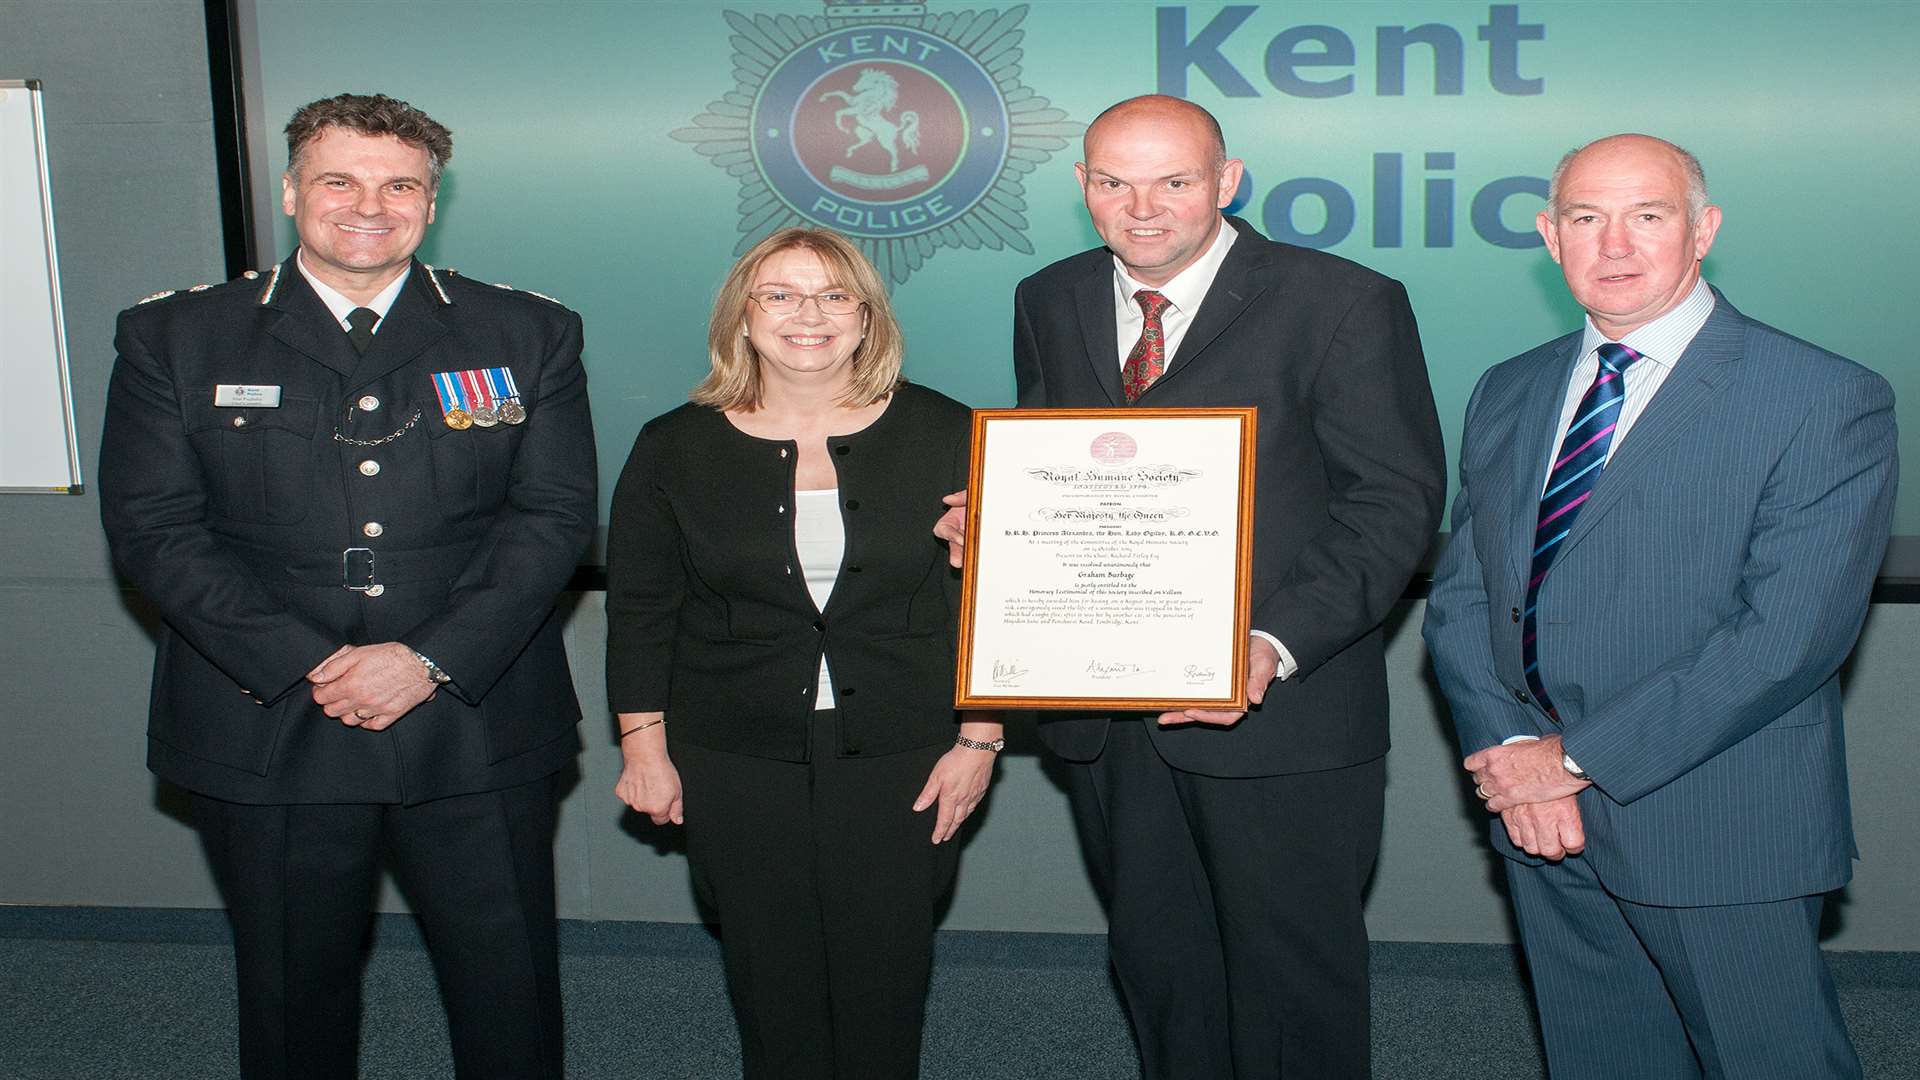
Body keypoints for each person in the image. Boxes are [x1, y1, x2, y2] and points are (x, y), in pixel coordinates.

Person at [940, 95, 1445, 1079]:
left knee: (1292, 989)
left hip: (1278, 714)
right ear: (1084, 187)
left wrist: (1269, 645)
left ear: (1227, 181)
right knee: (1160, 971)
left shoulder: (1342, 300)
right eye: (1115, 182)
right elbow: (1067, 464)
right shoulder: (1050, 297)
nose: (1143, 207)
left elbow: (1394, 502)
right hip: (1106, 719)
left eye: (1174, 180)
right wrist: (997, 528)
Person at [98, 93, 594, 1079]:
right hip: (273, 719)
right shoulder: (180, 337)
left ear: (431, 201)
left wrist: (425, 660)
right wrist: (317, 664)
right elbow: (155, 531)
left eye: (399, 185)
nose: (370, 205)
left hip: (472, 719)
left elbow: (552, 520)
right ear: (291, 191)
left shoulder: (526, 331)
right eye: (340, 180)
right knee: (291, 998)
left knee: (510, 995)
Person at [1423, 134, 1894, 1079]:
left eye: (1649, 215)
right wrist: (1514, 757)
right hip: (1540, 821)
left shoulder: (1822, 397)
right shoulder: (1510, 388)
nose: (1616, 245)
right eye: (1587, 219)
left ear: (1703, 229)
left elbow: (1787, 640)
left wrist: (1572, 761)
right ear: (1551, 239)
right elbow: (1464, 598)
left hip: (1717, 820)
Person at [605, 226, 1001, 1080]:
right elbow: (641, 610)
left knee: (887, 972)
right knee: (767, 969)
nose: (807, 315)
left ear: (866, 319)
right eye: (780, 295)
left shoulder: (951, 431)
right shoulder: (673, 445)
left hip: (907, 746)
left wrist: (981, 738)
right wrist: (644, 748)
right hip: (732, 749)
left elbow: (991, 602)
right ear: (743, 319)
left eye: (833, 296)